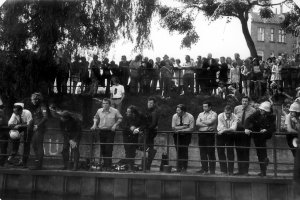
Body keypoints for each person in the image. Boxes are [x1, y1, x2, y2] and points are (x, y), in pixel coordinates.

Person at [245, 101, 276, 176]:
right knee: (259, 153)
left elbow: (273, 127)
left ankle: (264, 169)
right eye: (260, 109)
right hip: (256, 134)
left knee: (262, 152)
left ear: (266, 111)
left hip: (264, 136)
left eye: (263, 110)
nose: (261, 111)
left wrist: (266, 130)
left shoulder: (271, 116)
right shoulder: (257, 113)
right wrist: (246, 128)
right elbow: (248, 119)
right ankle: (263, 170)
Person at [91, 98, 122, 170]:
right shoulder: (99, 111)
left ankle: (108, 165)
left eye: (106, 103)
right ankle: (105, 164)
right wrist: (94, 124)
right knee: (103, 148)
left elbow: (120, 118)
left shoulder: (115, 111)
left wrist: (115, 125)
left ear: (109, 104)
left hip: (110, 131)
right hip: (102, 131)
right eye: (103, 103)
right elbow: (95, 117)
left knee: (109, 148)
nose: (104, 105)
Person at [49, 104, 82, 171]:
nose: (61, 119)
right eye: (61, 117)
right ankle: (66, 165)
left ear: (67, 118)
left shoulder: (75, 120)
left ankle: (75, 166)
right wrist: (69, 139)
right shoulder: (61, 120)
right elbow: (63, 130)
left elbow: (79, 131)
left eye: (63, 118)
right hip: (67, 135)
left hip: (75, 134)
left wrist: (74, 140)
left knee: (75, 148)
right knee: (64, 150)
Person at [234, 96, 256, 175]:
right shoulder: (237, 108)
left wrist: (248, 128)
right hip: (238, 132)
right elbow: (234, 119)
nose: (244, 103)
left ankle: (245, 171)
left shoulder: (253, 110)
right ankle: (240, 170)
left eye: (246, 101)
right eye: (243, 101)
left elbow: (253, 122)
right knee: (238, 150)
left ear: (248, 102)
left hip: (246, 132)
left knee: (245, 151)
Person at [7, 103, 33, 168]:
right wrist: (16, 126)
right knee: (16, 143)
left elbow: (30, 124)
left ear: (20, 111)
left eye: (16, 112)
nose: (15, 113)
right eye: (14, 112)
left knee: (26, 145)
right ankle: (11, 159)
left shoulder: (27, 113)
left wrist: (20, 125)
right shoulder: (14, 113)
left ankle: (24, 162)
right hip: (20, 130)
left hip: (28, 130)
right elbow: (9, 124)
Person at [27, 93, 48, 170]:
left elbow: (45, 117)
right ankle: (37, 164)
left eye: (32, 99)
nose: (32, 101)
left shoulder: (42, 106)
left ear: (37, 100)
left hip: (40, 129)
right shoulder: (36, 107)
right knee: (34, 145)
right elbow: (35, 118)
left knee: (39, 146)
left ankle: (39, 165)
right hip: (35, 129)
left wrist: (38, 125)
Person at [196, 101, 218, 175]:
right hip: (201, 134)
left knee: (211, 152)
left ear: (210, 107)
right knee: (202, 152)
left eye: (205, 106)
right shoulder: (200, 114)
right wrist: (207, 124)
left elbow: (211, 122)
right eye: (203, 106)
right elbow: (197, 123)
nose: (204, 108)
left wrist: (202, 122)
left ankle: (212, 170)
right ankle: (204, 169)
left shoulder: (214, 114)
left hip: (209, 134)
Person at [172, 104, 194, 172]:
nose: (177, 111)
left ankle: (184, 168)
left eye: (178, 110)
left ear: (183, 111)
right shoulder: (175, 116)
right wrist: (184, 127)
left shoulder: (190, 116)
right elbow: (173, 127)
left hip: (186, 135)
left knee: (184, 151)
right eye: (176, 110)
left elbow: (191, 128)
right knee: (178, 150)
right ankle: (178, 167)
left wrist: (180, 130)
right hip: (177, 136)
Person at [122, 105, 145, 170]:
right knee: (128, 151)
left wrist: (138, 129)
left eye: (129, 112)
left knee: (132, 151)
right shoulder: (126, 117)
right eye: (127, 112)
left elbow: (144, 124)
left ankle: (131, 166)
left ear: (133, 113)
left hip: (135, 135)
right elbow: (123, 125)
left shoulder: (139, 116)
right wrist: (130, 128)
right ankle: (129, 166)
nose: (127, 113)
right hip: (126, 135)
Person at [217, 105, 238, 175]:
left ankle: (230, 171)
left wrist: (224, 130)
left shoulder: (235, 117)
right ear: (224, 112)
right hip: (221, 135)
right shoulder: (220, 116)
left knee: (230, 152)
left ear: (231, 112)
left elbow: (233, 128)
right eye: (226, 113)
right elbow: (221, 127)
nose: (228, 115)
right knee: (220, 152)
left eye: (229, 113)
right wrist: (224, 130)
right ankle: (223, 170)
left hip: (230, 135)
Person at [144, 97, 159, 170]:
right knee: (148, 147)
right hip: (148, 132)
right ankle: (147, 165)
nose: (149, 104)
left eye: (151, 103)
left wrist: (145, 128)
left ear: (154, 104)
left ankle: (148, 165)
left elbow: (153, 123)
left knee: (150, 147)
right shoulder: (148, 111)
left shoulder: (154, 112)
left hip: (150, 132)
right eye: (148, 103)